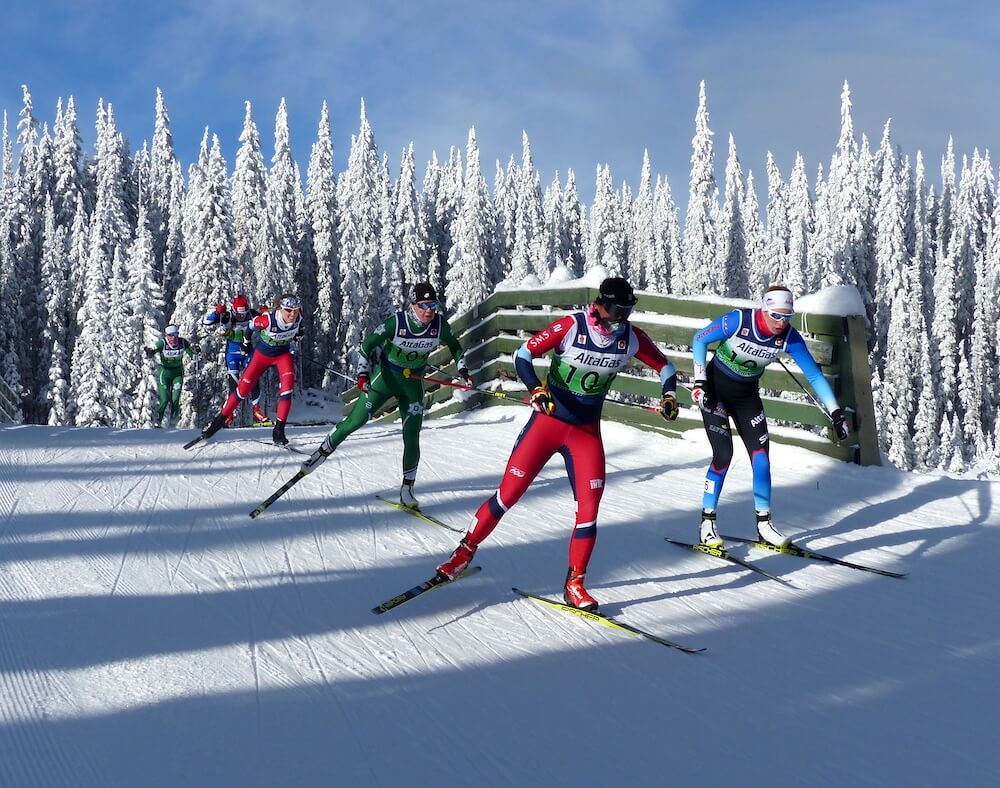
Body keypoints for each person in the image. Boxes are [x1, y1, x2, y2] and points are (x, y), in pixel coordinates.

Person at [434, 277, 679, 612]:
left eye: (626, 310)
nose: (619, 318)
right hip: (547, 425)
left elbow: (665, 366)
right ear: (599, 304)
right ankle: (464, 552)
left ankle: (575, 583)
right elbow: (522, 356)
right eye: (614, 310)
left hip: (585, 434)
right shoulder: (572, 326)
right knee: (507, 496)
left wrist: (668, 395)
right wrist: (536, 389)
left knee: (589, 511)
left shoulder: (631, 338)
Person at [690, 284, 851, 548]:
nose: (781, 322)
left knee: (762, 458)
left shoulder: (789, 337)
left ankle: (764, 524)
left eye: (787, 317)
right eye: (776, 315)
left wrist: (835, 411)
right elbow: (700, 338)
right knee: (723, 455)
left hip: (747, 397)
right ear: (764, 309)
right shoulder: (740, 321)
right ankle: (707, 522)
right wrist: (699, 382)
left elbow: (813, 375)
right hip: (715, 392)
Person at [300, 282, 469, 508]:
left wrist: (463, 370)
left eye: (433, 305)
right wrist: (362, 374)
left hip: (412, 384)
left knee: (412, 435)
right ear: (413, 305)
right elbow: (367, 346)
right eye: (424, 305)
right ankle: (320, 454)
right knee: (355, 421)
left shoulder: (439, 326)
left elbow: (456, 347)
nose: (429, 310)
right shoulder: (397, 323)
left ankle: (407, 489)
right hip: (385, 379)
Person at [200, 293, 304, 445]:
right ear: (280, 309)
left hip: (282, 355)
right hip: (261, 356)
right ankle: (218, 422)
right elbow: (249, 327)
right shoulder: (267, 320)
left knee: (287, 390)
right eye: (289, 310)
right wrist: (246, 342)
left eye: (295, 310)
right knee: (241, 390)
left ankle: (279, 431)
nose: (293, 314)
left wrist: (299, 334)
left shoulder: (298, 316)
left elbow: (300, 327)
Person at [202, 295, 269, 426]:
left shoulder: (251, 314)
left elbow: (267, 320)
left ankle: (257, 410)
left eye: (244, 313)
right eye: (239, 313)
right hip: (232, 353)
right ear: (234, 310)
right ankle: (229, 414)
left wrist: (265, 313)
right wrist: (217, 312)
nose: (242, 316)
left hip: (247, 351)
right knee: (234, 383)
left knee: (253, 378)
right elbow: (207, 321)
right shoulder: (228, 316)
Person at [145, 324, 201, 427]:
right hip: (165, 374)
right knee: (165, 399)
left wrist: (196, 352)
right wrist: (150, 352)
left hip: (178, 374)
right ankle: (158, 422)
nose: (174, 337)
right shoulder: (162, 343)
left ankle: (172, 424)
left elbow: (192, 354)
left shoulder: (182, 342)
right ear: (167, 335)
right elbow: (153, 350)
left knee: (175, 400)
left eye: (176, 334)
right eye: (171, 335)